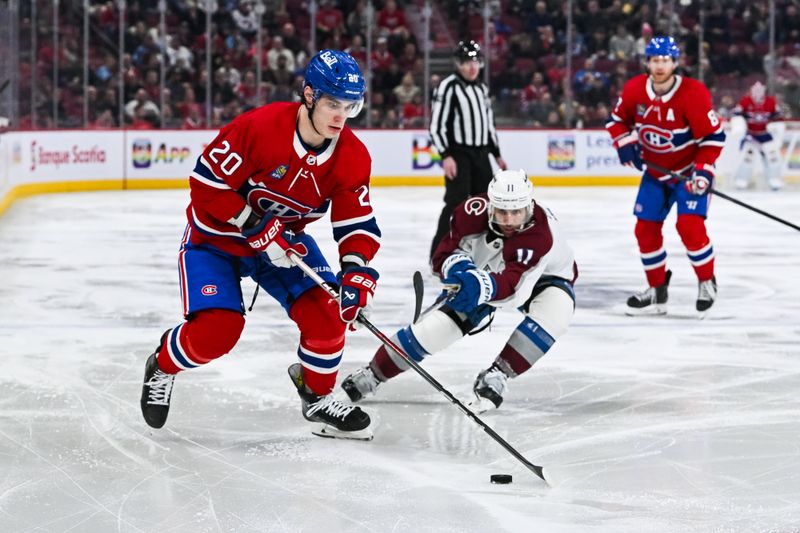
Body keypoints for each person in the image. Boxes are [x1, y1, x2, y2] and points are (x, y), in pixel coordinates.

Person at [139, 50, 381, 440]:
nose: (341, 116)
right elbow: (205, 185)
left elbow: (356, 222)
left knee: (329, 315)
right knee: (218, 332)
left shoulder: (352, 156)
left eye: (351, 105)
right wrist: (253, 223)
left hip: (283, 245)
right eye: (333, 103)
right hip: (214, 240)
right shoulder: (260, 127)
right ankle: (162, 365)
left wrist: (355, 270)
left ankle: (316, 396)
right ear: (309, 95)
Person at [340, 170, 577, 413]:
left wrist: (479, 286)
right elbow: (441, 257)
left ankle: (499, 374)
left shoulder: (540, 234)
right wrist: (461, 270)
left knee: (557, 313)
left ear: (528, 207)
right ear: (490, 205)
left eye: (516, 212)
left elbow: (514, 291)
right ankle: (374, 373)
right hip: (488, 271)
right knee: (436, 329)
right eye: (502, 211)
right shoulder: (470, 213)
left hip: (544, 279)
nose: (508, 220)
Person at [606, 36, 725, 317]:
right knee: (644, 230)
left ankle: (707, 282)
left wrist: (703, 171)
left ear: (675, 63)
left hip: (688, 174)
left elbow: (713, 137)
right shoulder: (635, 88)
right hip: (655, 174)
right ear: (647, 62)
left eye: (665, 60)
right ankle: (657, 289)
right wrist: (624, 144)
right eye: (655, 60)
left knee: (689, 227)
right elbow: (616, 120)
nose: (660, 66)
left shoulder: (693, 93)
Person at [429, 40, 507, 258]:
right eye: (467, 62)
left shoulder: (481, 88)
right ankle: (439, 253)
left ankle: (487, 250)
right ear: (458, 64)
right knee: (455, 203)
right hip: (459, 153)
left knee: (489, 202)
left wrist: (497, 154)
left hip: (481, 154)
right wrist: (446, 155)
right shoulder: (449, 87)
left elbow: (488, 124)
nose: (472, 67)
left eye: (476, 61)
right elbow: (436, 126)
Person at [732, 81, 784, 190]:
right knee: (748, 157)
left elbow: (778, 116)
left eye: (760, 90)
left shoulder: (771, 102)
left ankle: (774, 179)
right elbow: (736, 115)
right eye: (755, 90)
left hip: (765, 135)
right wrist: (738, 126)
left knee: (773, 157)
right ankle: (741, 180)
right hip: (751, 136)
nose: (758, 93)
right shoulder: (745, 101)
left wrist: (775, 127)